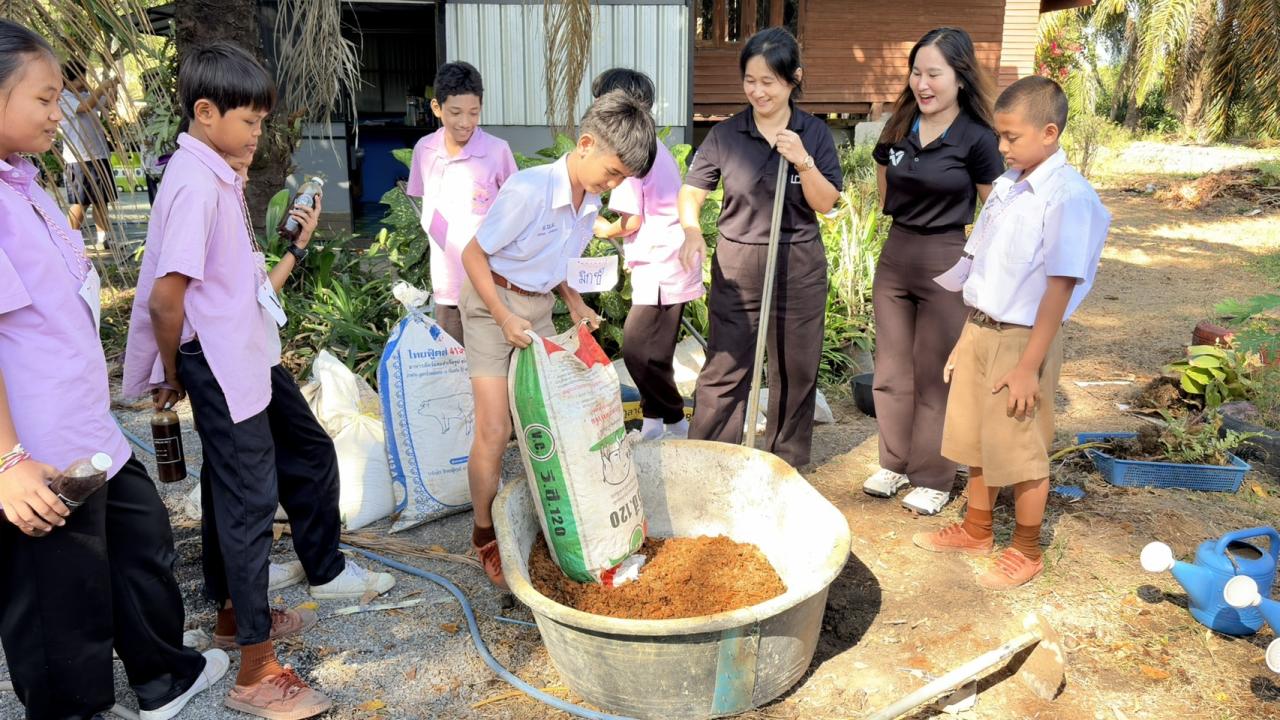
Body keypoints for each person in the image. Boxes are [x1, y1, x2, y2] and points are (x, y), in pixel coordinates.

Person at [122, 41, 394, 719]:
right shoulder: (192, 184)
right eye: (250, 122)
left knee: (302, 452)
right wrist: (173, 370)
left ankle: (238, 609)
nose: (258, 134)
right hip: (216, 361)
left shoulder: (216, 174)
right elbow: (166, 298)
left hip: (246, 353)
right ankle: (254, 669)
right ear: (206, 112)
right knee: (247, 502)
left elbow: (235, 290)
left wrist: (294, 249)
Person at [0, 19, 227, 720]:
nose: (55, 111)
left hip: (84, 423)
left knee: (139, 542)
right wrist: (8, 461)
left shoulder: (25, 182)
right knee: (59, 605)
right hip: (37, 450)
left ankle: (162, 675)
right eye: (41, 98)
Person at [912, 76, 1110, 589]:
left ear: (1049, 132)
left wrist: (1027, 367)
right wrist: (964, 337)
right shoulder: (1007, 185)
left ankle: (1026, 548)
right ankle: (977, 530)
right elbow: (980, 268)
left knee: (1021, 448)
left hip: (1024, 339)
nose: (1001, 146)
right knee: (978, 438)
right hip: (981, 329)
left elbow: (1059, 289)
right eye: (999, 136)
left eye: (1011, 136)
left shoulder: (1067, 197)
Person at [459, 90, 656, 587]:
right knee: (495, 429)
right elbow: (473, 256)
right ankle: (484, 535)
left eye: (622, 180)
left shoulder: (589, 200)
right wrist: (503, 317)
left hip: (539, 307)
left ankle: (547, 519)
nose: (612, 185)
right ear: (585, 143)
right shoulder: (528, 190)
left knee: (547, 423)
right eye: (612, 172)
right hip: (490, 305)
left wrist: (573, 301)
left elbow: (554, 259)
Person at [678, 27, 841, 469]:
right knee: (726, 365)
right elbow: (693, 189)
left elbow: (826, 204)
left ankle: (783, 461)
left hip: (799, 260)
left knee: (796, 367)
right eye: (750, 80)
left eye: (768, 81)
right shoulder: (727, 134)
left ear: (793, 79)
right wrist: (692, 229)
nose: (758, 91)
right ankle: (710, 459)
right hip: (739, 259)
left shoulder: (814, 133)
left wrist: (802, 160)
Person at [864, 28, 1005, 515]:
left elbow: (996, 210)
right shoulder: (900, 125)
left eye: (934, 74)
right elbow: (885, 174)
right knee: (890, 368)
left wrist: (977, 264)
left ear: (960, 78)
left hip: (947, 256)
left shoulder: (977, 138)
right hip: (897, 253)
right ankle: (894, 463)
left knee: (935, 374)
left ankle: (933, 475)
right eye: (917, 72)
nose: (922, 83)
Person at [592, 68, 702, 441]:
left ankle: (674, 419)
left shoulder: (633, 152)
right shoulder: (655, 146)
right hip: (671, 260)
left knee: (637, 350)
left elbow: (632, 220)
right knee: (656, 354)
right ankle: (659, 424)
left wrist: (606, 229)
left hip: (661, 263)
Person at [405, 61, 518, 344]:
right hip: (448, 285)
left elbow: (516, 208)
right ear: (436, 108)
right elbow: (424, 201)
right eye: (455, 112)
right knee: (454, 366)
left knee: (492, 364)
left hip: (491, 285)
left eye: (474, 113)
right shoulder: (424, 150)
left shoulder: (497, 151)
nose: (465, 122)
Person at [58, 58, 118, 248]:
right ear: (66, 81)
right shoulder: (64, 98)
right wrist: (101, 87)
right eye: (79, 80)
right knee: (81, 203)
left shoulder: (86, 94)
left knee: (102, 200)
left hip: (99, 154)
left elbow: (108, 103)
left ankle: (103, 239)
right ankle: (69, 242)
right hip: (79, 158)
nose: (83, 83)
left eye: (84, 78)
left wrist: (113, 86)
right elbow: (84, 108)